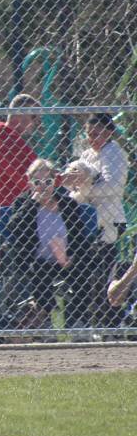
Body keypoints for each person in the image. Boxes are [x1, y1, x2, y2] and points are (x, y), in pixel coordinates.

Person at [0, 159, 97, 334]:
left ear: (54, 181)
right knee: (40, 272)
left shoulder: (67, 203)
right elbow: (14, 228)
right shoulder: (24, 202)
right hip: (35, 260)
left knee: (83, 271)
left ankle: (77, 323)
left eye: (48, 182)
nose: (43, 186)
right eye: (37, 182)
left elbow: (79, 236)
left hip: (66, 260)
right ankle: (44, 323)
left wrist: (72, 256)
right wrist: (33, 203)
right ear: (30, 182)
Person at [62, 113, 129, 328]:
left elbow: (113, 186)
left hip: (109, 221)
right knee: (83, 272)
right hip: (86, 222)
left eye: (98, 133)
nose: (93, 138)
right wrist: (76, 183)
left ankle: (110, 322)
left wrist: (86, 186)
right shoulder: (87, 155)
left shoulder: (115, 154)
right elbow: (71, 183)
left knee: (105, 272)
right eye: (89, 134)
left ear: (110, 132)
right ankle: (83, 320)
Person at [0, 93, 41, 331]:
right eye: (33, 117)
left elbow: (35, 178)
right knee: (22, 263)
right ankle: (9, 317)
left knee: (20, 262)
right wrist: (58, 181)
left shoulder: (12, 140)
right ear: (20, 115)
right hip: (9, 214)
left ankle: (14, 316)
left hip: (16, 212)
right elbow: (28, 180)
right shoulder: (5, 142)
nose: (36, 123)